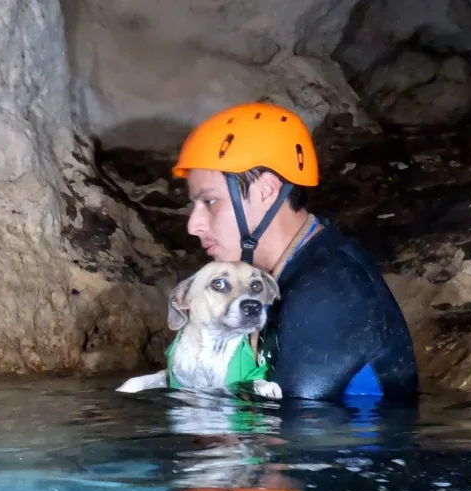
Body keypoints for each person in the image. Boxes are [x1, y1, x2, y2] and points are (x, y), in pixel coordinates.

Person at [171, 101, 419, 402]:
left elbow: (294, 435)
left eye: (209, 202)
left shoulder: (331, 288)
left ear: (266, 190)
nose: (193, 225)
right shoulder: (293, 271)